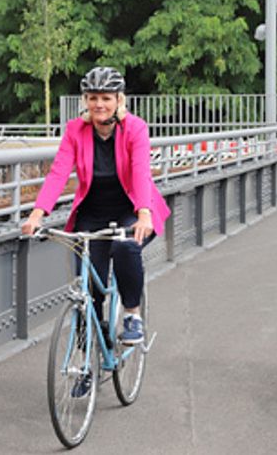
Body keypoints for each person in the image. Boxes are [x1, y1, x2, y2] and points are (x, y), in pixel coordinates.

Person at [22, 66, 171, 348]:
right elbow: (58, 173)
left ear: (118, 100)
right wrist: (37, 214)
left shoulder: (134, 128)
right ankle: (87, 363)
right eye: (92, 98)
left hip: (131, 209)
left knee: (126, 247)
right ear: (85, 101)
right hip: (93, 214)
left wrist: (143, 214)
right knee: (87, 290)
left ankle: (131, 315)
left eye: (105, 98)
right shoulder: (75, 130)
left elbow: (141, 172)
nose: (99, 104)